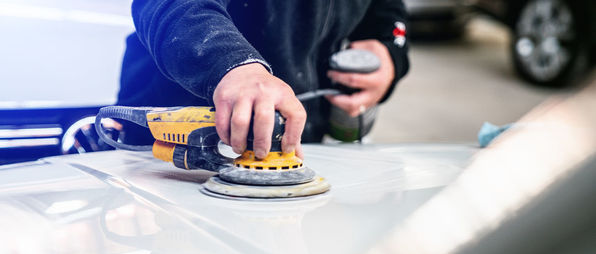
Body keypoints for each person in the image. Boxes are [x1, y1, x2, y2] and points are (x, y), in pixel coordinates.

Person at [117, 0, 409, 159]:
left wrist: (388, 49)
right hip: (175, 149)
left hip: (296, 147)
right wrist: (233, 65)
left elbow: (387, 13)